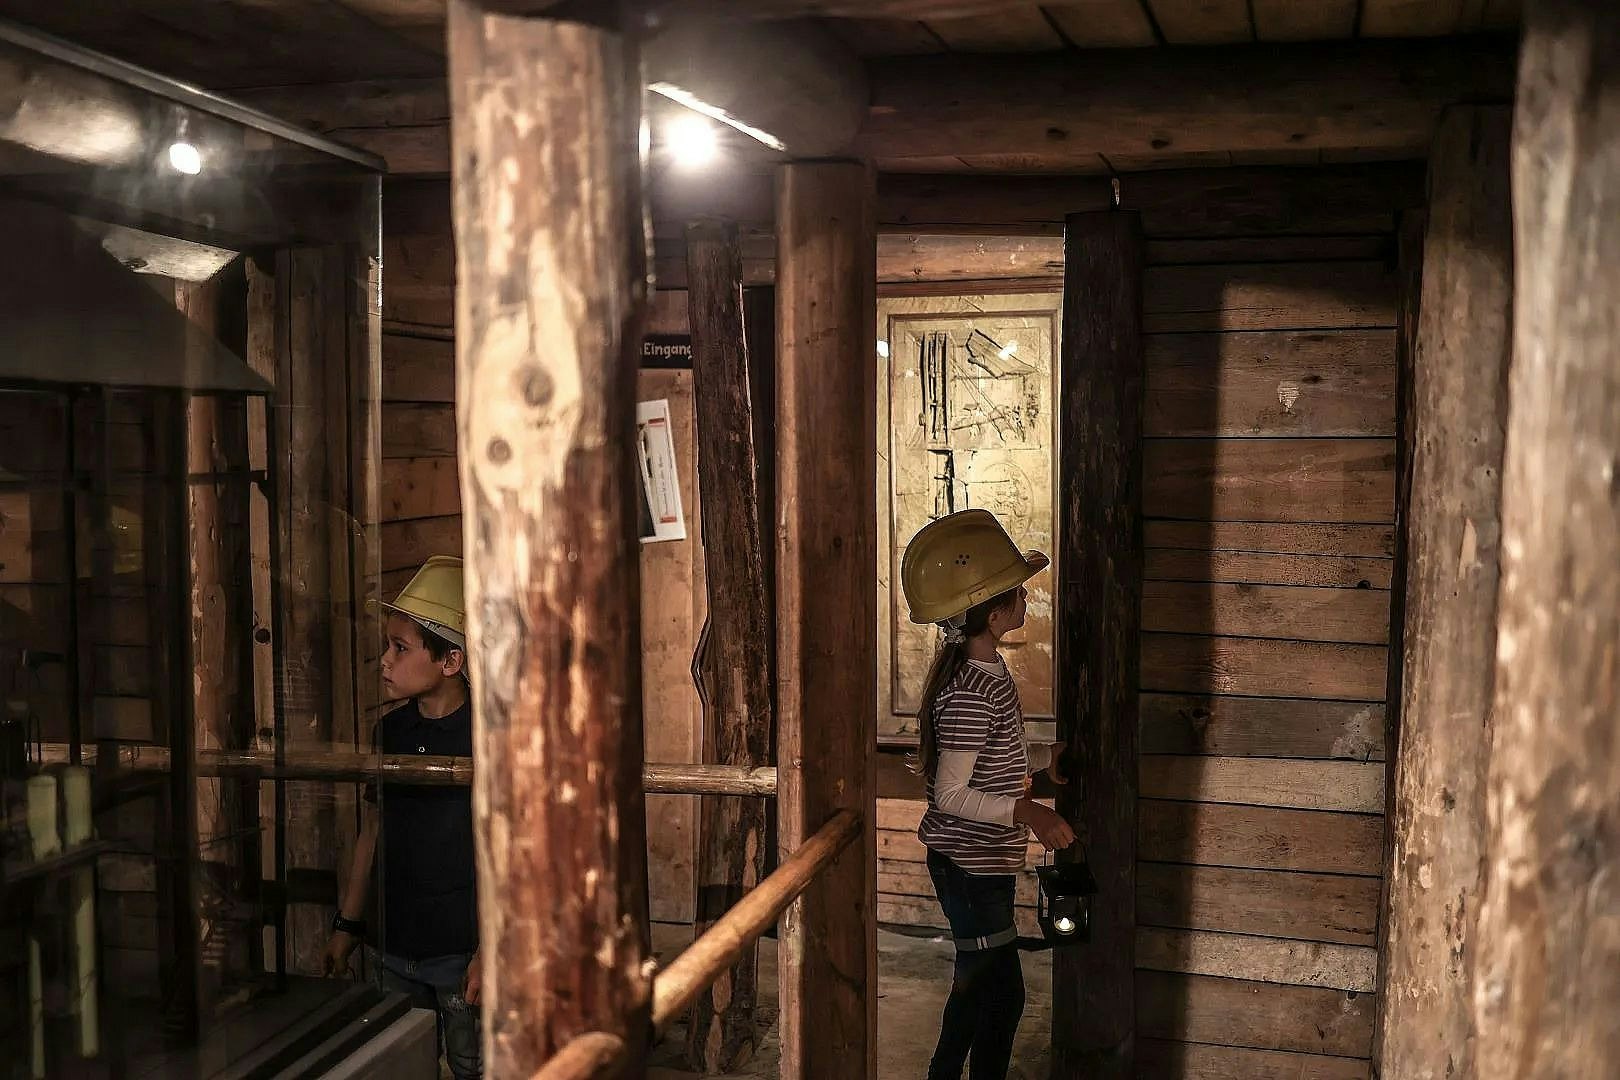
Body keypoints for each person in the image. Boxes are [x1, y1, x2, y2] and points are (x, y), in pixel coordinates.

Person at [900, 509, 1077, 1080]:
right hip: (966, 866)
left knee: (991, 995)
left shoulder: (987, 671)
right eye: (1017, 592)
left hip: (982, 863)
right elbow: (951, 794)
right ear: (995, 610)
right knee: (992, 995)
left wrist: (1045, 767)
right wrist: (1025, 809)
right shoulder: (973, 689)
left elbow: (991, 760)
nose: (1025, 599)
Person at [323, 555, 482, 1080]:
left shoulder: (488, 738)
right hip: (394, 945)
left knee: (473, 1064)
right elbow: (373, 831)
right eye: (386, 646)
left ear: (451, 661)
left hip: (460, 950)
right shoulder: (388, 734)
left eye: (400, 648)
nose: (384, 661)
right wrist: (348, 924)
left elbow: (510, 850)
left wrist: (491, 950)